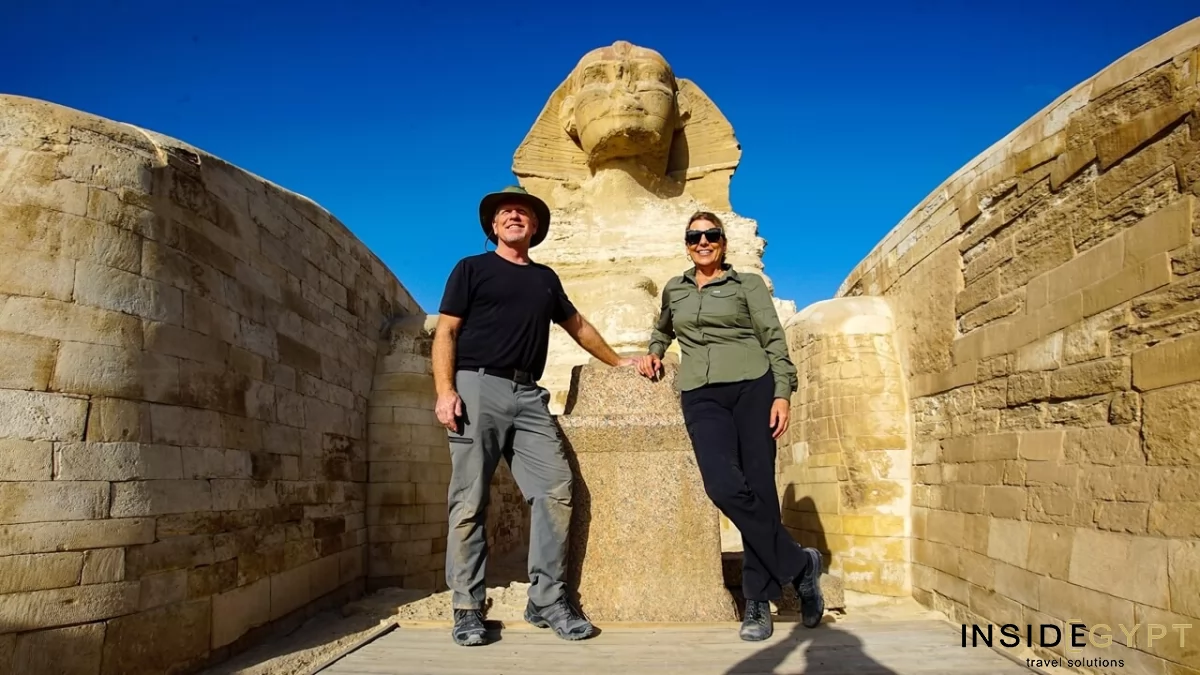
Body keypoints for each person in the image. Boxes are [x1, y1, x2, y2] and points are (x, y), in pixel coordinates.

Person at [432, 185, 636, 647]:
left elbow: (578, 325)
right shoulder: (471, 269)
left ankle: (546, 598)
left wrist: (618, 361)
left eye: (522, 212)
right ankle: (467, 607)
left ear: (536, 226)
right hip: (475, 385)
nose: (513, 216)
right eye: (505, 212)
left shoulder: (545, 279)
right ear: (492, 225)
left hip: (528, 393)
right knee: (469, 501)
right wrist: (445, 390)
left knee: (556, 490)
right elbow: (446, 331)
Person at [633, 211, 825, 641]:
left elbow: (774, 339)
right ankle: (800, 564)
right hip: (700, 392)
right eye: (695, 236)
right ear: (686, 244)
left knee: (759, 486)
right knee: (722, 485)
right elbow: (663, 327)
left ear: (723, 242)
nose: (703, 242)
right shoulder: (675, 288)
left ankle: (758, 601)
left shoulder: (746, 285)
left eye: (711, 235)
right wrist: (654, 350)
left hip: (751, 388)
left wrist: (782, 392)